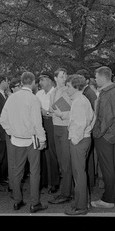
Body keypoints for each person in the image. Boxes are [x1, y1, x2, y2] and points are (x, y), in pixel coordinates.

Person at [0, 71, 48, 213]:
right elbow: (37, 124)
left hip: (16, 140)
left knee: (16, 172)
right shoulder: (33, 99)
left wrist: (11, 131)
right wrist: (43, 140)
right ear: (33, 82)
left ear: (21, 82)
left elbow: (3, 119)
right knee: (34, 172)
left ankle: (17, 201)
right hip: (31, 140)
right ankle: (34, 203)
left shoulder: (12, 98)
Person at [91, 66, 115, 208]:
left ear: (101, 77)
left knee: (107, 168)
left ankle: (108, 200)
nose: (95, 79)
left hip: (106, 135)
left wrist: (97, 133)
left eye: (96, 77)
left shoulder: (107, 94)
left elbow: (105, 118)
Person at [64, 74, 95, 215]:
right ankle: (82, 202)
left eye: (69, 86)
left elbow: (81, 124)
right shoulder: (80, 100)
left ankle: (81, 207)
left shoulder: (79, 101)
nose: (66, 89)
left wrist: (75, 140)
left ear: (76, 87)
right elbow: (92, 117)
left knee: (79, 174)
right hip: (83, 139)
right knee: (80, 173)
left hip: (79, 141)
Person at [48, 67, 73, 205]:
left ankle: (66, 193)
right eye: (62, 76)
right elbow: (52, 110)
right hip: (56, 126)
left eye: (65, 75)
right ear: (55, 78)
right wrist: (54, 109)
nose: (64, 78)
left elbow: (66, 110)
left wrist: (54, 109)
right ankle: (66, 190)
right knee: (61, 162)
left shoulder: (67, 91)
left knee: (65, 162)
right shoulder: (54, 91)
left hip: (64, 128)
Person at [36, 71, 60, 194]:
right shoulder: (39, 93)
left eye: (43, 80)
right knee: (41, 152)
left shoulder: (57, 93)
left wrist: (45, 112)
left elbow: (62, 112)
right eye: (40, 80)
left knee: (51, 153)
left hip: (52, 123)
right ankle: (44, 180)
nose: (40, 82)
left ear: (50, 80)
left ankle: (54, 182)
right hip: (40, 123)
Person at [76, 69, 97, 190]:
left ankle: (90, 182)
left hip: (86, 131)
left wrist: (90, 129)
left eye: (81, 78)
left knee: (87, 158)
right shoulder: (83, 92)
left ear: (87, 81)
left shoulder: (89, 93)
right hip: (83, 130)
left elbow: (94, 113)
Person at [5, 76, 22, 194]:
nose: (21, 88)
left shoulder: (18, 98)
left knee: (17, 161)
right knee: (13, 161)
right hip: (12, 133)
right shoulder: (11, 100)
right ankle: (13, 186)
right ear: (12, 88)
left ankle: (16, 185)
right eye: (18, 86)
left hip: (18, 133)